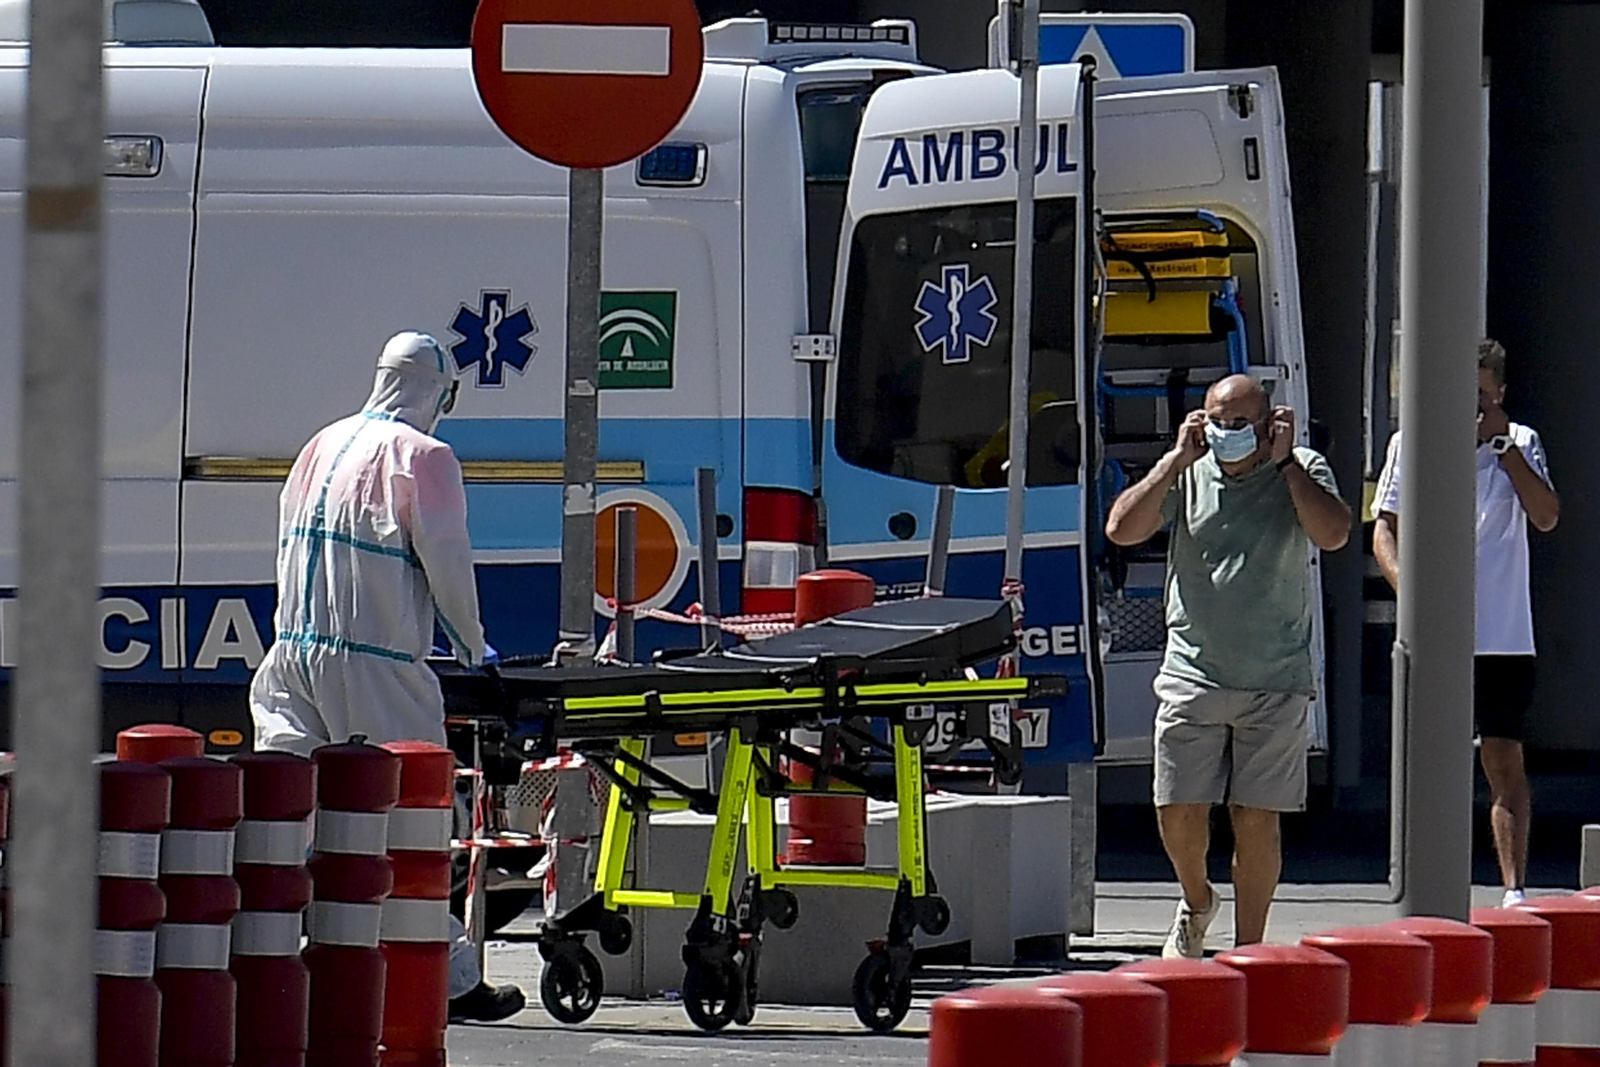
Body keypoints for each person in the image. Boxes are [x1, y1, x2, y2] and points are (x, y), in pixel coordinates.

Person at [249, 330, 525, 1023]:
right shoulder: (425, 457)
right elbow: (448, 568)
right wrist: (473, 652)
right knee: (411, 824)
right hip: (376, 665)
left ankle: (269, 958)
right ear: (439, 392)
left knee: (285, 822)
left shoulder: (321, 443)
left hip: (291, 654)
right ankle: (449, 977)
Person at [1105, 374, 1350, 958]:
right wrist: (1172, 460)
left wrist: (1287, 464)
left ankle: (1249, 950)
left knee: (1256, 817)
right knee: (1177, 807)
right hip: (1194, 670)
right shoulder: (1189, 472)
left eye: (1242, 423)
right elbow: (1121, 529)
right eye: (1220, 420)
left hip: (1275, 675)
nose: (1229, 433)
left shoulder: (1304, 467)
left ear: (1269, 424)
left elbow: (1335, 532)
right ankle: (1197, 899)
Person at [1373, 338, 1559, 908]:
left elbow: (1546, 516)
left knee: (1503, 760)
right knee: (1430, 760)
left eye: (1481, 396)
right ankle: (1423, 883)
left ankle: (1513, 887)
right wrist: (1413, 597)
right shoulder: (1411, 444)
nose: (1471, 409)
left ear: (1499, 394)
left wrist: (1502, 447)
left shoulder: (1521, 442)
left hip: (1502, 635)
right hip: (1436, 637)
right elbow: (1384, 529)